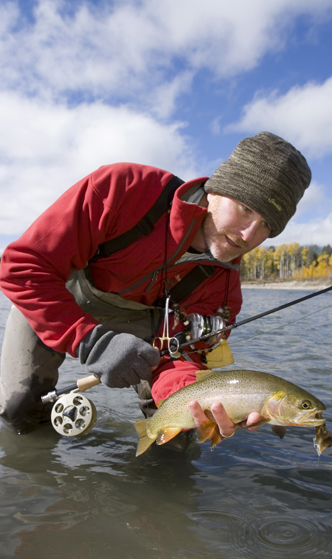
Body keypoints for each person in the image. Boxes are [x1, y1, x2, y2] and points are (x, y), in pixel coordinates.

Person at [0, 132, 311, 443]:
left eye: (267, 226)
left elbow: (183, 359)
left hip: (146, 330)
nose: (248, 235)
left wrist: (200, 405)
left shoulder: (223, 290)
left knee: (181, 436)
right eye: (245, 209)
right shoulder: (123, 188)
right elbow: (22, 266)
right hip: (54, 298)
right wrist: (92, 342)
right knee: (19, 412)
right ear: (217, 190)